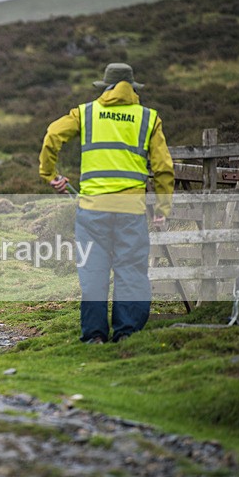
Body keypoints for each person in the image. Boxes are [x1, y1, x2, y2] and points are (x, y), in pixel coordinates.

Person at [38, 63, 174, 344]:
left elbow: (53, 134)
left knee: (93, 271)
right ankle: (127, 334)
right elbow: (163, 168)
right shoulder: (149, 118)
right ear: (134, 89)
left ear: (106, 88)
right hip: (130, 211)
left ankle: (94, 336)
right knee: (131, 271)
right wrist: (162, 209)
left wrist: (50, 175)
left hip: (92, 210)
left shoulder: (86, 112)